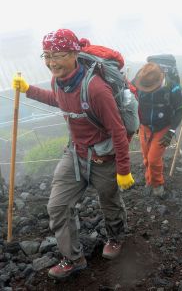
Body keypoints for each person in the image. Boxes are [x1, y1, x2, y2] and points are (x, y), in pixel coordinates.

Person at [12, 29, 135, 279]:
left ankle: (116, 237)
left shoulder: (97, 89)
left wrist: (123, 169)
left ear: (74, 54)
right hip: (76, 153)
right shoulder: (58, 80)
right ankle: (73, 258)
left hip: (104, 157)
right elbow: (60, 100)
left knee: (109, 202)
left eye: (56, 55)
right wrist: (28, 89)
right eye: (46, 55)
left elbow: (118, 131)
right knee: (57, 206)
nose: (51, 62)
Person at [133, 62, 182, 197]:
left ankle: (157, 185)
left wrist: (171, 131)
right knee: (146, 157)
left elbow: (179, 110)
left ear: (160, 80)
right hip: (144, 126)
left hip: (163, 127)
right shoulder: (140, 79)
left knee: (154, 158)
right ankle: (149, 179)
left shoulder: (172, 88)